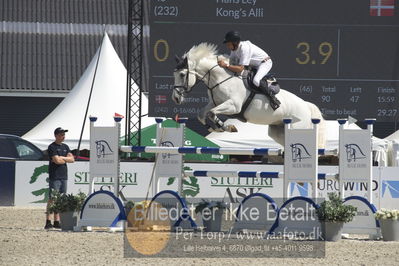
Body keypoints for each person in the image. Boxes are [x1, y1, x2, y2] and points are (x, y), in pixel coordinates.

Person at [218, 30, 280, 109]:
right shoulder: (234, 49)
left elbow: (240, 68)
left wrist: (226, 65)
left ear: (235, 42)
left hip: (264, 63)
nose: (227, 46)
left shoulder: (245, 48)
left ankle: (272, 98)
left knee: (256, 80)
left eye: (228, 44)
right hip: (253, 65)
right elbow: (231, 62)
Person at [44, 127, 75, 229]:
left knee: (60, 199)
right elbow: (57, 161)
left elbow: (72, 159)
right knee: (52, 199)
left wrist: (62, 158)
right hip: (55, 176)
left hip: (64, 176)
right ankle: (48, 221)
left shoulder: (66, 146)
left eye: (64, 135)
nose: (63, 136)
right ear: (56, 135)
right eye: (61, 134)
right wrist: (65, 159)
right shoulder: (51, 147)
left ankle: (57, 221)